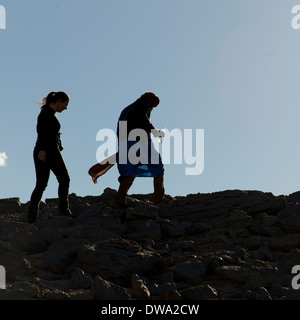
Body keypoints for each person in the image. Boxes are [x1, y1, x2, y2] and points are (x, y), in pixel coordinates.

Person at [28, 91, 72, 223]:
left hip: (46, 150)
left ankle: (31, 217)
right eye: (65, 104)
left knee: (41, 184)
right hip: (48, 150)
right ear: (59, 101)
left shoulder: (48, 112)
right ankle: (63, 210)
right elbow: (41, 131)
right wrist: (42, 150)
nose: (66, 107)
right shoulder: (46, 113)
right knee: (64, 178)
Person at [115, 92, 165, 207]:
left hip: (124, 141)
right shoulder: (144, 102)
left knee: (130, 169)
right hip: (139, 139)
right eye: (153, 107)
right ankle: (159, 201)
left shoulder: (127, 109)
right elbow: (142, 117)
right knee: (158, 166)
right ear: (152, 102)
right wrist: (154, 131)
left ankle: (120, 198)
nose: (152, 109)